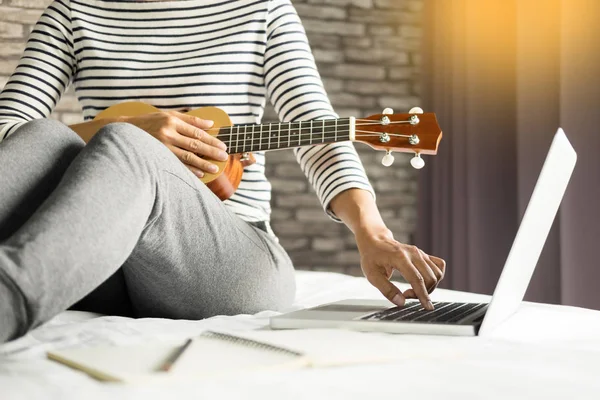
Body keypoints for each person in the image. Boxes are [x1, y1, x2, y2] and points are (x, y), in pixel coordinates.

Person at [0, 0, 445, 343]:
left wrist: (373, 233)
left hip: (220, 258)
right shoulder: (72, 11)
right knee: (43, 136)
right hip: (98, 262)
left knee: (124, 144)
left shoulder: (262, 9)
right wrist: (124, 125)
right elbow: (10, 131)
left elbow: (314, 126)